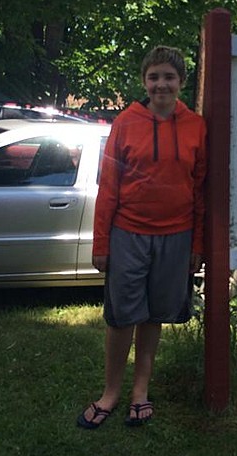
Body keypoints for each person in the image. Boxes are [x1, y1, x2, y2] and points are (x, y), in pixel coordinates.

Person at [78, 46, 207, 429]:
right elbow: (109, 187)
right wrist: (101, 243)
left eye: (169, 76)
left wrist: (197, 245)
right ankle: (110, 393)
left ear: (181, 82)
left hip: (176, 235)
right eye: (154, 77)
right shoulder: (125, 123)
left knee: (153, 315)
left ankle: (140, 392)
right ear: (144, 81)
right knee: (121, 318)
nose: (161, 84)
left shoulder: (196, 126)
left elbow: (200, 190)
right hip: (128, 233)